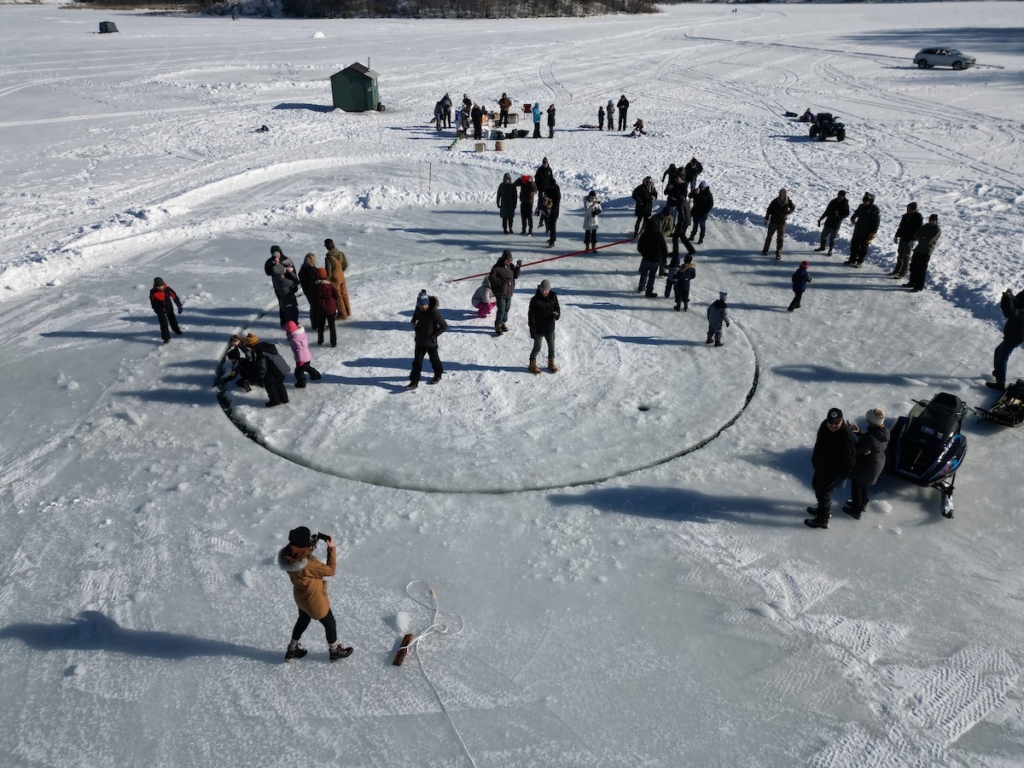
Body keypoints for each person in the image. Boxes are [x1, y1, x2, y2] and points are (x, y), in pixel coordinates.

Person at [278, 526, 353, 663]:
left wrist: (311, 543)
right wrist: (331, 548)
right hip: (315, 601)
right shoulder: (309, 565)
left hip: (301, 598)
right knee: (330, 624)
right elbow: (330, 570)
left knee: (302, 621)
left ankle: (292, 649)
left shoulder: (288, 556)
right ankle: (334, 651)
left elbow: (301, 553)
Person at [804, 408, 857, 529]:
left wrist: (843, 477)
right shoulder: (824, 425)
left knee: (824, 494)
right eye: (830, 422)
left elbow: (850, 461)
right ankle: (822, 509)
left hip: (832, 472)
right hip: (821, 467)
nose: (832, 425)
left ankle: (823, 519)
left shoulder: (846, 437)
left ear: (842, 420)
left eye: (836, 423)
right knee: (816, 486)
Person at [844, 408, 889, 520]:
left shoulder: (870, 438)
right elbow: (873, 441)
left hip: (867, 466)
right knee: (863, 485)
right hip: (876, 464)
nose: (867, 420)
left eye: (868, 419)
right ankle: (862, 504)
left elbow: (856, 450)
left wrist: (848, 437)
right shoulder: (885, 432)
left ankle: (856, 510)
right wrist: (859, 432)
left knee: (856, 487)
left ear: (872, 421)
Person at [405, 295, 447, 389]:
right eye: (419, 306)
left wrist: (433, 335)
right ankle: (414, 382)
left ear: (427, 304)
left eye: (422, 306)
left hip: (431, 343)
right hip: (419, 340)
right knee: (417, 362)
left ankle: (438, 374)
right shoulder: (419, 309)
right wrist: (413, 322)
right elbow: (416, 314)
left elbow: (444, 326)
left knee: (434, 360)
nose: (420, 308)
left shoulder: (434, 313)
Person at [989, 288, 1024, 391]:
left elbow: (1011, 313)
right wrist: (1010, 295)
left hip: (1016, 334)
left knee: (1002, 358)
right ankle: (998, 373)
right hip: (1014, 331)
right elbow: (1016, 301)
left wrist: (1007, 298)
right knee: (998, 351)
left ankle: (1000, 384)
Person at [246, 333, 290, 407]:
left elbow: (263, 367)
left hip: (272, 372)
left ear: (251, 345)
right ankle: (284, 399)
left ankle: (275, 401)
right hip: (280, 369)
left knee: (270, 386)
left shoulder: (260, 353)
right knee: (279, 384)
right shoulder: (266, 347)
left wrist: (261, 378)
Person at [528, 279, 561, 374]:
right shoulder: (535, 300)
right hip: (539, 328)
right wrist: (532, 330)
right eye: (542, 290)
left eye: (546, 290)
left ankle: (551, 364)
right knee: (537, 347)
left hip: (550, 327)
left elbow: (557, 308)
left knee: (552, 346)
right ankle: (532, 364)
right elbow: (531, 316)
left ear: (549, 289)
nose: (544, 292)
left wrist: (557, 315)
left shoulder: (553, 296)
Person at [488, 250, 522, 335]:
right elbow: (491, 278)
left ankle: (503, 323)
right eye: (508, 259)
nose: (510, 261)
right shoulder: (497, 267)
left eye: (511, 259)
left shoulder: (511, 267)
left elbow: (516, 276)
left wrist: (518, 267)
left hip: (509, 292)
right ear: (504, 259)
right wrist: (501, 281)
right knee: (501, 310)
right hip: (500, 292)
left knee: (507, 308)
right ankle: (498, 325)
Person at [904, 214, 941, 292]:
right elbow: (916, 234)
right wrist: (922, 237)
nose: (931, 221)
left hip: (926, 251)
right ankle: (912, 282)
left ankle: (919, 286)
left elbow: (929, 240)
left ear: (936, 221)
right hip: (918, 249)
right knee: (913, 266)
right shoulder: (926, 226)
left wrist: (922, 237)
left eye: (933, 220)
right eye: (930, 220)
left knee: (921, 269)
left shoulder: (937, 229)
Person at [845, 192, 880, 268]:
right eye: (864, 200)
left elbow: (876, 222)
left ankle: (860, 261)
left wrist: (873, 232)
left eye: (866, 200)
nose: (864, 202)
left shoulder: (874, 209)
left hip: (867, 232)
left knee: (863, 247)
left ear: (870, 201)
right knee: (854, 245)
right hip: (858, 229)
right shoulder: (861, 206)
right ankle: (852, 259)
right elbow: (856, 213)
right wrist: (853, 217)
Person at [636, 215, 668, 297]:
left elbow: (639, 247)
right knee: (652, 276)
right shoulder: (659, 235)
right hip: (655, 259)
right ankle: (649, 291)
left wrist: (643, 252)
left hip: (646, 258)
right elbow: (664, 247)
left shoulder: (644, 235)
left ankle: (641, 287)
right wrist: (664, 257)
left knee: (644, 273)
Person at [283, 321, 321, 388]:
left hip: (302, 358)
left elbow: (299, 350)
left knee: (298, 372)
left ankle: (301, 383)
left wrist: (300, 360)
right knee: (307, 368)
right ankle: (316, 375)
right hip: (307, 355)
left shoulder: (295, 339)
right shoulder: (301, 334)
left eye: (287, 330)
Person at [890, 202, 923, 278]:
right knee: (900, 255)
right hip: (902, 238)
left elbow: (918, 229)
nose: (907, 209)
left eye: (909, 208)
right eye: (907, 208)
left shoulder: (918, 217)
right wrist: (896, 235)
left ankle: (903, 272)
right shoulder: (905, 216)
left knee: (906, 256)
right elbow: (901, 227)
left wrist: (914, 239)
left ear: (913, 209)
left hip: (909, 240)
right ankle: (897, 270)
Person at [311, 267, 341, 347]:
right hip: (330, 308)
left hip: (320, 308)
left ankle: (320, 341)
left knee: (320, 325)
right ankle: (333, 342)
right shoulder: (330, 285)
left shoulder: (314, 286)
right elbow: (337, 296)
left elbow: (312, 296)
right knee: (332, 326)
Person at [762, 189, 795, 259]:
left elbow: (793, 207)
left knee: (780, 239)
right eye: (780, 194)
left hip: (781, 223)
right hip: (773, 223)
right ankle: (765, 250)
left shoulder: (788, 201)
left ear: (785, 194)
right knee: (769, 237)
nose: (781, 196)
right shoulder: (774, 201)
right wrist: (766, 218)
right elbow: (769, 210)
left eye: (783, 195)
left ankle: (778, 254)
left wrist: (788, 213)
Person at [815, 190, 849, 256]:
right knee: (823, 235)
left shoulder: (845, 204)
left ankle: (830, 251)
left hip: (836, 224)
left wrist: (839, 216)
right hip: (828, 221)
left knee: (832, 238)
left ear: (843, 197)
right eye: (839, 195)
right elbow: (827, 211)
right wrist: (821, 218)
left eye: (841, 196)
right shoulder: (833, 202)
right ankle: (822, 247)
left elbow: (846, 214)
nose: (839, 197)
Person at [149, 277, 183, 344]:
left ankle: (176, 330)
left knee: (172, 319)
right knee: (163, 323)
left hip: (168, 307)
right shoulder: (152, 291)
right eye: (158, 286)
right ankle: (166, 337)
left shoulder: (167, 289)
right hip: (160, 308)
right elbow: (152, 300)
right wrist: (154, 308)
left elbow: (174, 297)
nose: (160, 287)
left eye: (161, 285)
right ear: (155, 286)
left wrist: (179, 306)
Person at [324, 238, 351, 320]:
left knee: (338, 296)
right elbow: (345, 265)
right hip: (342, 276)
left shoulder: (328, 258)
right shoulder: (341, 254)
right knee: (344, 294)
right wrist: (340, 271)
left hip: (335, 279)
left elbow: (328, 272)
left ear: (327, 246)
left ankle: (342, 315)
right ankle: (348, 311)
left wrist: (327, 280)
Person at [298, 253, 323, 331]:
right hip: (314, 292)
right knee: (318, 308)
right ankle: (319, 325)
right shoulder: (313, 270)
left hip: (307, 291)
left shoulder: (302, 268)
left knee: (313, 307)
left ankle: (314, 324)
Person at [271, 260, 300, 327]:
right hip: (290, 303)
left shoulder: (275, 279)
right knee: (293, 319)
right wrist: (291, 272)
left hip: (283, 303)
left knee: (288, 319)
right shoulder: (284, 281)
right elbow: (296, 282)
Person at [544, 179, 561, 248]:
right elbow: (545, 196)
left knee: (552, 225)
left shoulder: (556, 190)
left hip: (554, 210)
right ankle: (552, 238)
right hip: (548, 208)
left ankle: (552, 241)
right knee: (548, 224)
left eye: (551, 186)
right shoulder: (548, 188)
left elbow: (556, 203)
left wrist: (551, 211)